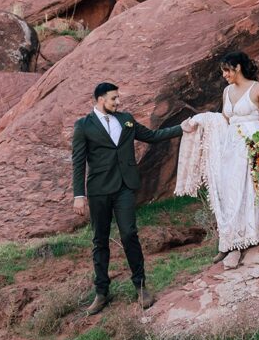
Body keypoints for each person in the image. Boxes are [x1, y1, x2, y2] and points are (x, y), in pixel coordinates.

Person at [72, 82, 196, 315]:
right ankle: (101, 292)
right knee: (100, 240)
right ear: (100, 100)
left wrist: (181, 128)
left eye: (118, 98)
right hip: (98, 189)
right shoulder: (83, 126)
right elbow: (78, 162)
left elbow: (151, 135)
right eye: (113, 99)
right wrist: (79, 195)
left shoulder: (126, 119)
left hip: (125, 188)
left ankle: (140, 287)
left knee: (129, 234)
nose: (118, 102)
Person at [174, 52, 259, 269]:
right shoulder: (227, 91)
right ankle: (230, 240)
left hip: (253, 141)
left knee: (248, 189)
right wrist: (202, 120)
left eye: (227, 70)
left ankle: (242, 242)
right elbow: (225, 118)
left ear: (238, 67)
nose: (224, 75)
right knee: (230, 189)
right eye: (223, 71)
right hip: (232, 143)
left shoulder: (258, 89)